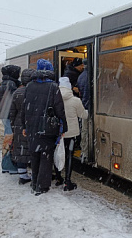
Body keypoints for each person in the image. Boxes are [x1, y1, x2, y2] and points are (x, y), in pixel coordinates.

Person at [21, 59, 67, 195]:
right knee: (46, 157)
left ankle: (35, 183)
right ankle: (42, 186)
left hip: (32, 128)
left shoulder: (29, 86)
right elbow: (60, 109)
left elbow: (24, 108)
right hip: (47, 128)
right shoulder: (53, 87)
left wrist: (25, 126)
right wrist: (63, 128)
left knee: (34, 155)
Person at [54, 77, 88, 191]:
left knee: (58, 154)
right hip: (71, 134)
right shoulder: (75, 100)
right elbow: (83, 115)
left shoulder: (54, 99)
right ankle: (67, 181)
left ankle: (59, 178)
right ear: (69, 87)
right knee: (69, 155)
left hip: (58, 133)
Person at [9, 68, 34, 185]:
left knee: (20, 150)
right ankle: (35, 174)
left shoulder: (17, 93)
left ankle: (22, 175)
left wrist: (13, 124)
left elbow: (12, 112)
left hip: (19, 124)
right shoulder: (34, 91)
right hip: (31, 123)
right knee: (32, 149)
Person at [0, 65, 21, 156]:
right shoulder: (11, 83)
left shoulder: (5, 82)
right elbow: (15, 98)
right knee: (9, 136)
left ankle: (7, 156)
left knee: (8, 134)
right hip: (9, 113)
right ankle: (8, 157)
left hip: (4, 112)